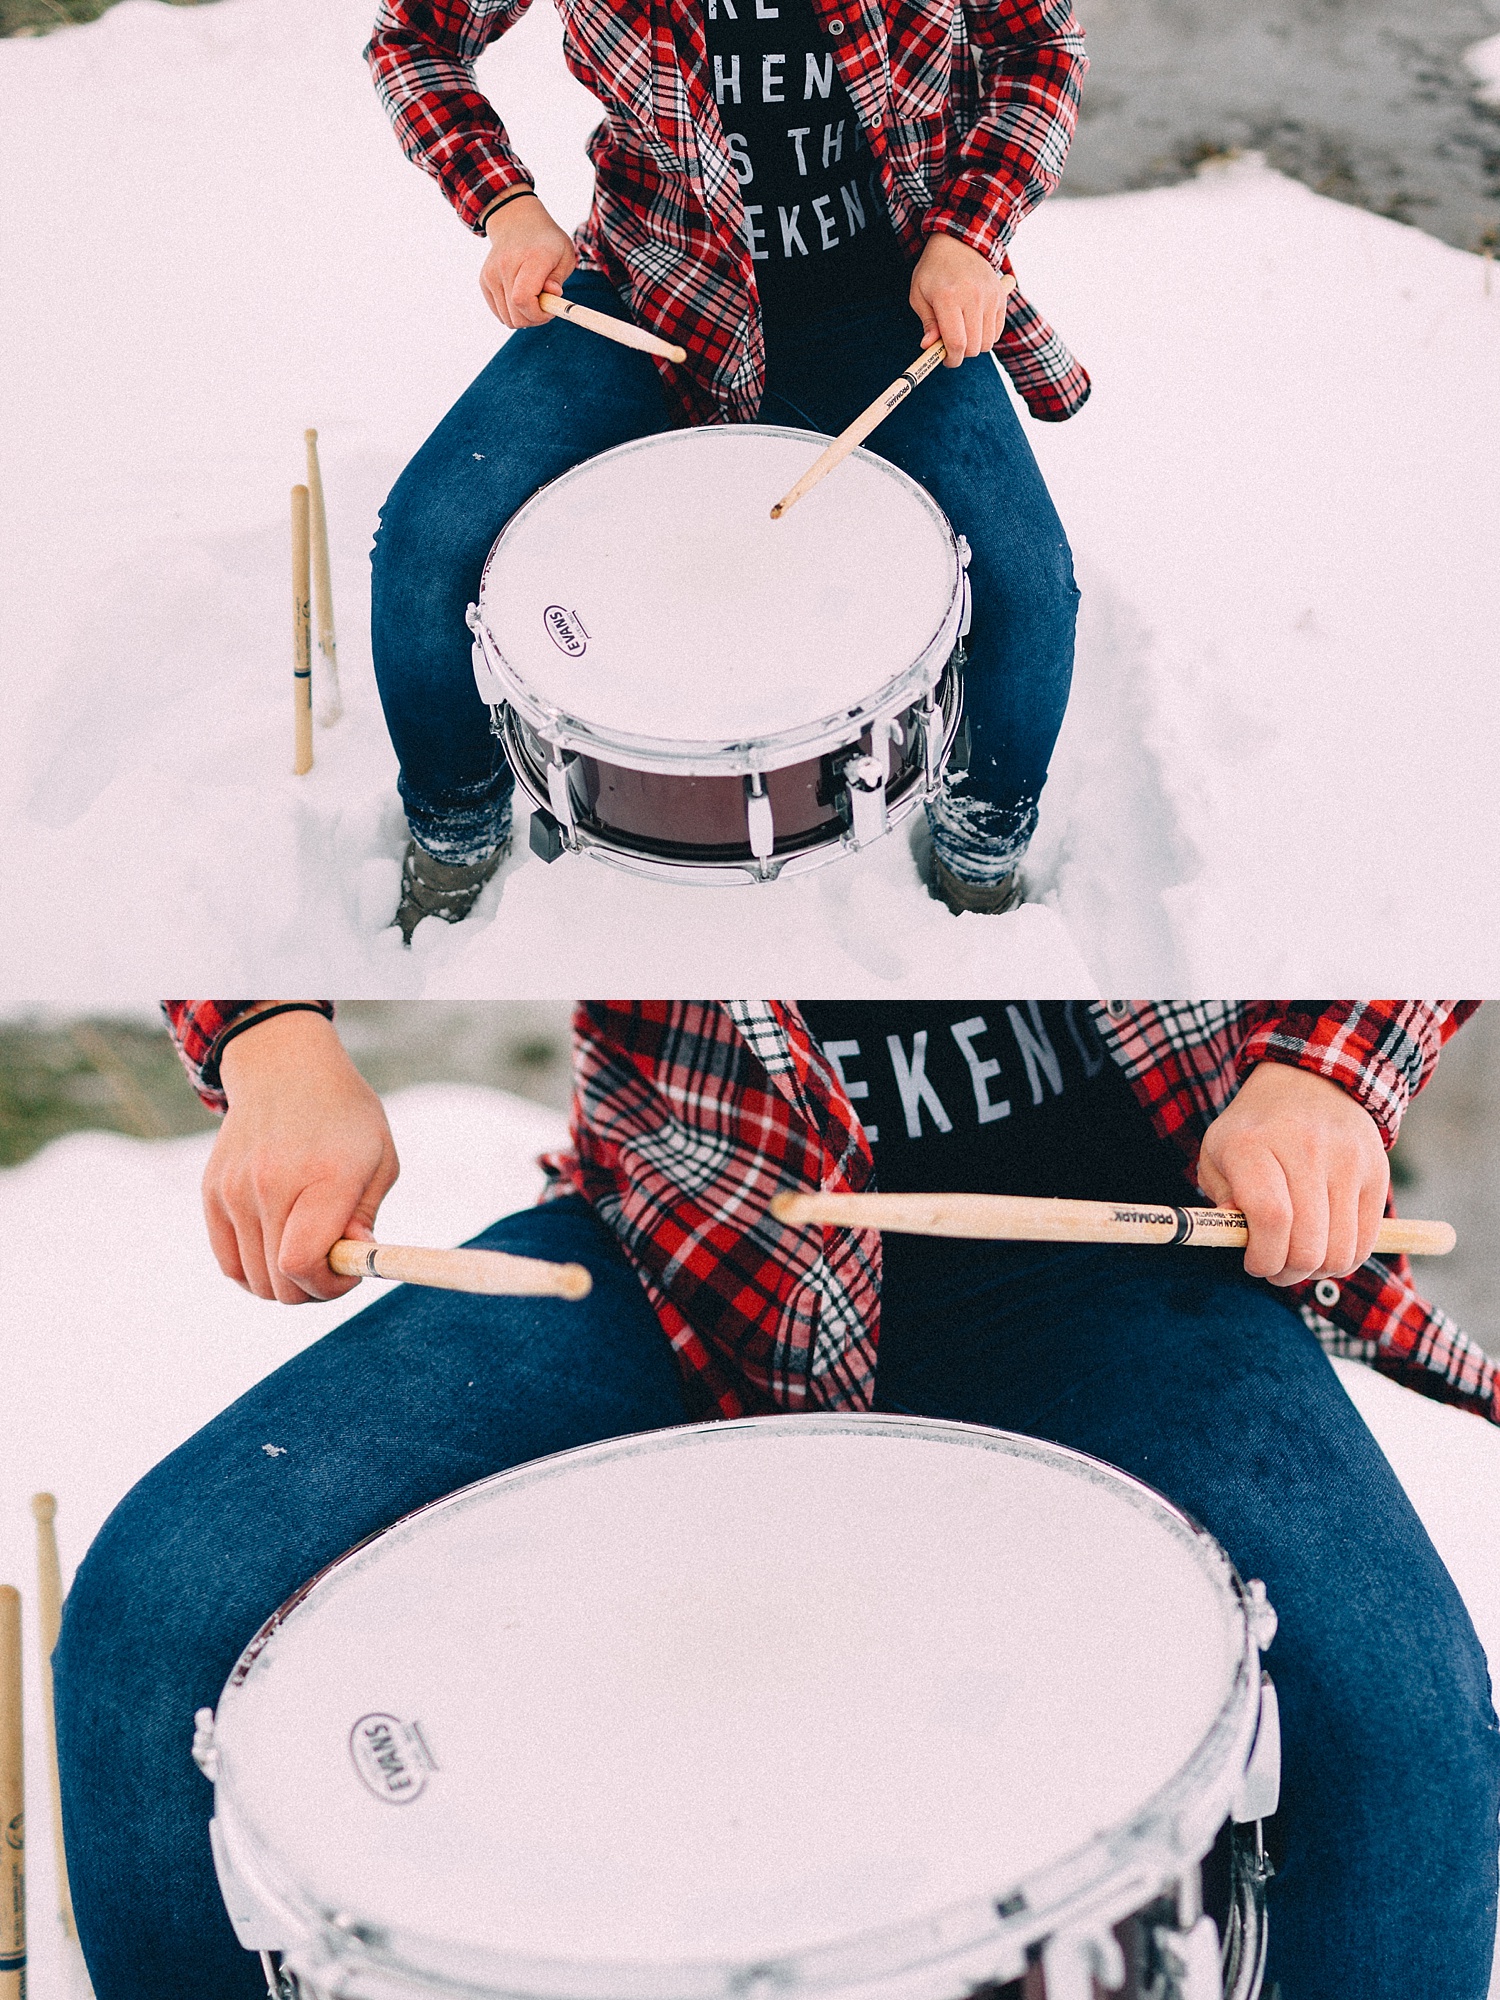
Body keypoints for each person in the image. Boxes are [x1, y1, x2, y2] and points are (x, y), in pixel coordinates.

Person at [53, 1000, 1500, 1999]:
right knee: (154, 1613)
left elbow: (1428, 751)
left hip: (1124, 1245)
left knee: (1400, 1719)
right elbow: (277, 714)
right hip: (699, 1239)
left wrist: (1330, 1069)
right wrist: (271, 1041)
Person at [363, 0, 1090, 939]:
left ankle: (979, 850)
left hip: (887, 304)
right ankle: (453, 830)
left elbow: (1038, 45)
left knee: (1028, 588)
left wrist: (970, 234)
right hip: (658, 291)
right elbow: (412, 39)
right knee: (425, 547)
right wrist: (507, 208)